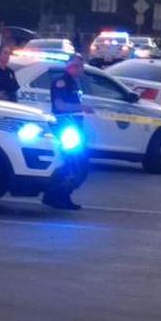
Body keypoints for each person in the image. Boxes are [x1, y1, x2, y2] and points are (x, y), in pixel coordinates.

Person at [44, 54, 92, 210]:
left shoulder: (74, 83)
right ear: (71, 66)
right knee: (73, 163)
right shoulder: (61, 82)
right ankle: (57, 196)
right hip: (65, 127)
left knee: (77, 163)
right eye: (79, 66)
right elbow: (60, 106)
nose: (81, 69)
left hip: (73, 127)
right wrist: (81, 108)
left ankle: (61, 196)